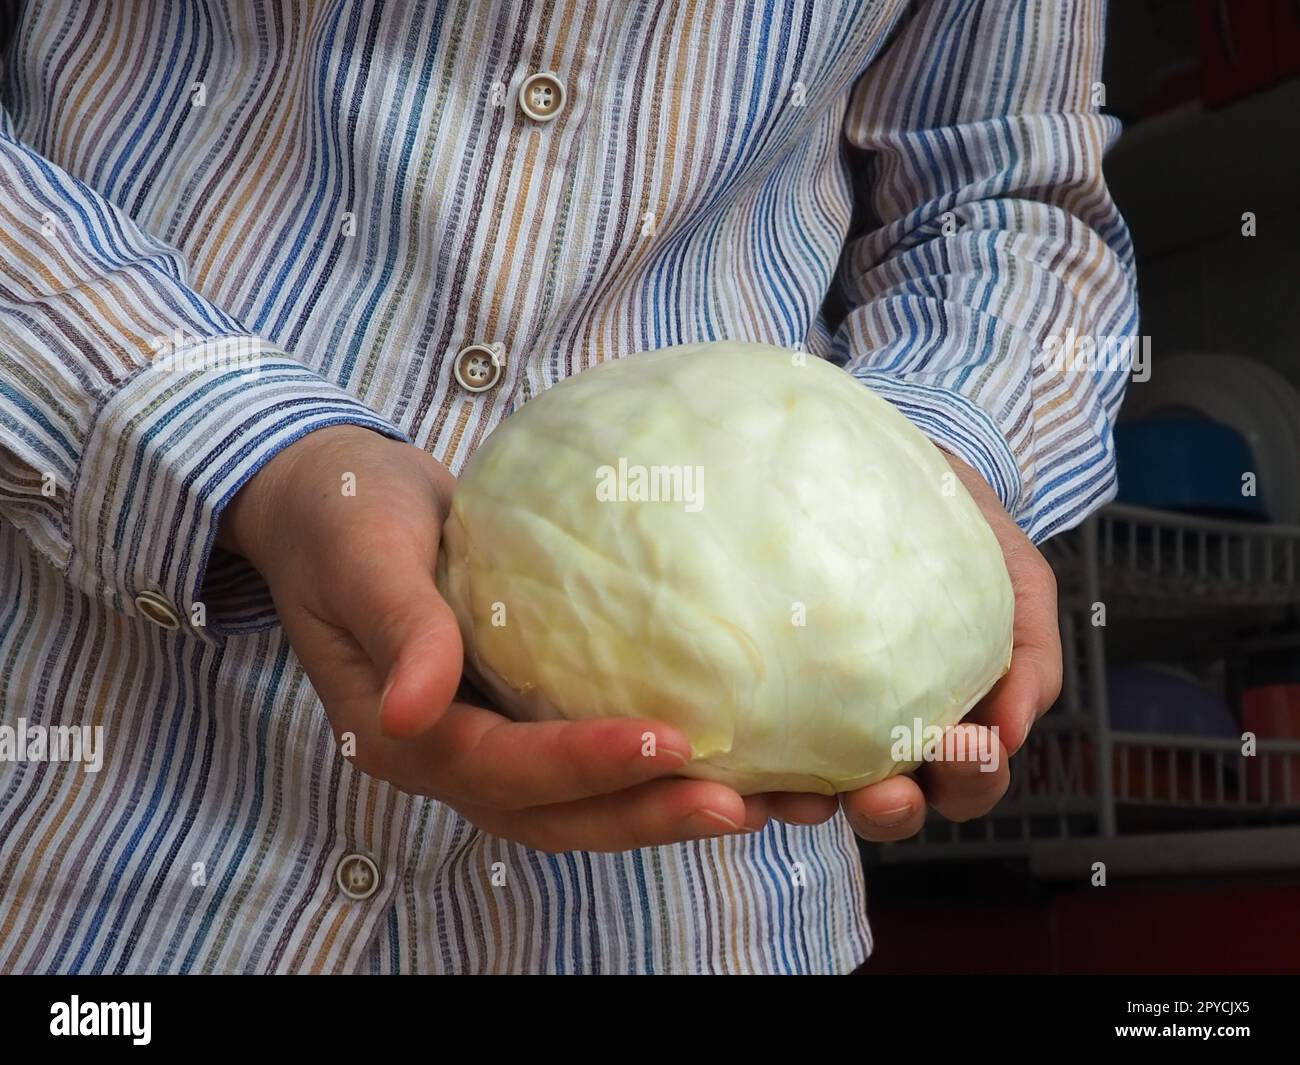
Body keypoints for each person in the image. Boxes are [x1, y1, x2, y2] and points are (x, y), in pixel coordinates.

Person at [0, 0, 1135, 973]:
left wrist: (924, 464)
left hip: (704, 913)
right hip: (96, 832)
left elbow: (1007, 191)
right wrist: (245, 453)